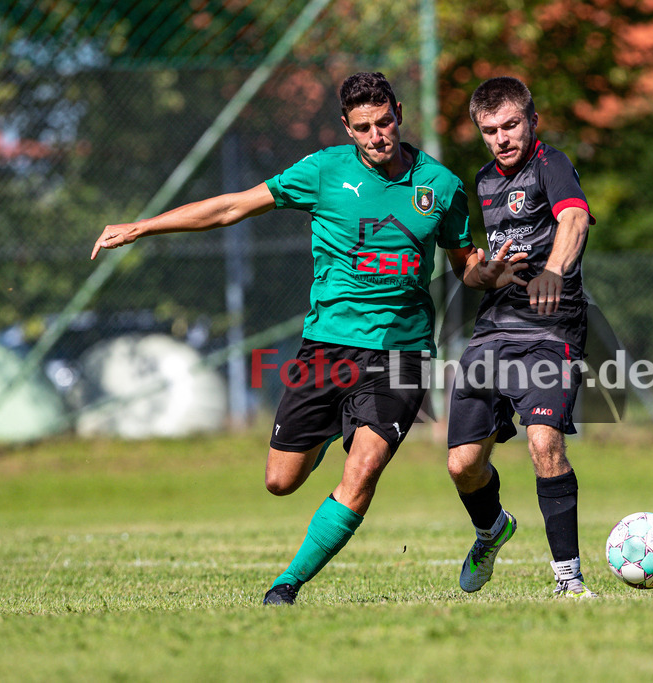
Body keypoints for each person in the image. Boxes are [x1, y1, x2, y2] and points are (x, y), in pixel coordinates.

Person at [91, 72, 524, 606]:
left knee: (363, 470)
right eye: (363, 127)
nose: (376, 136)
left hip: (402, 354)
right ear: (347, 127)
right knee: (280, 480)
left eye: (384, 122)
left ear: (399, 114)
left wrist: (492, 274)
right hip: (326, 347)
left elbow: (466, 267)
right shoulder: (322, 171)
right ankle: (322, 436)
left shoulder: (442, 186)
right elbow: (232, 207)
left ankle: (285, 587)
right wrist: (141, 227)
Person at [447, 76, 597, 599]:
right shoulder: (484, 181)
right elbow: (474, 268)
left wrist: (555, 269)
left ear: (532, 120)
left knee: (543, 442)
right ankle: (492, 530)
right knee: (463, 464)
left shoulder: (550, 165)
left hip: (552, 328)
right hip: (494, 327)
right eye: (490, 130)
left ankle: (569, 582)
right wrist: (487, 273)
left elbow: (574, 219)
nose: (502, 137)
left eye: (511, 125)